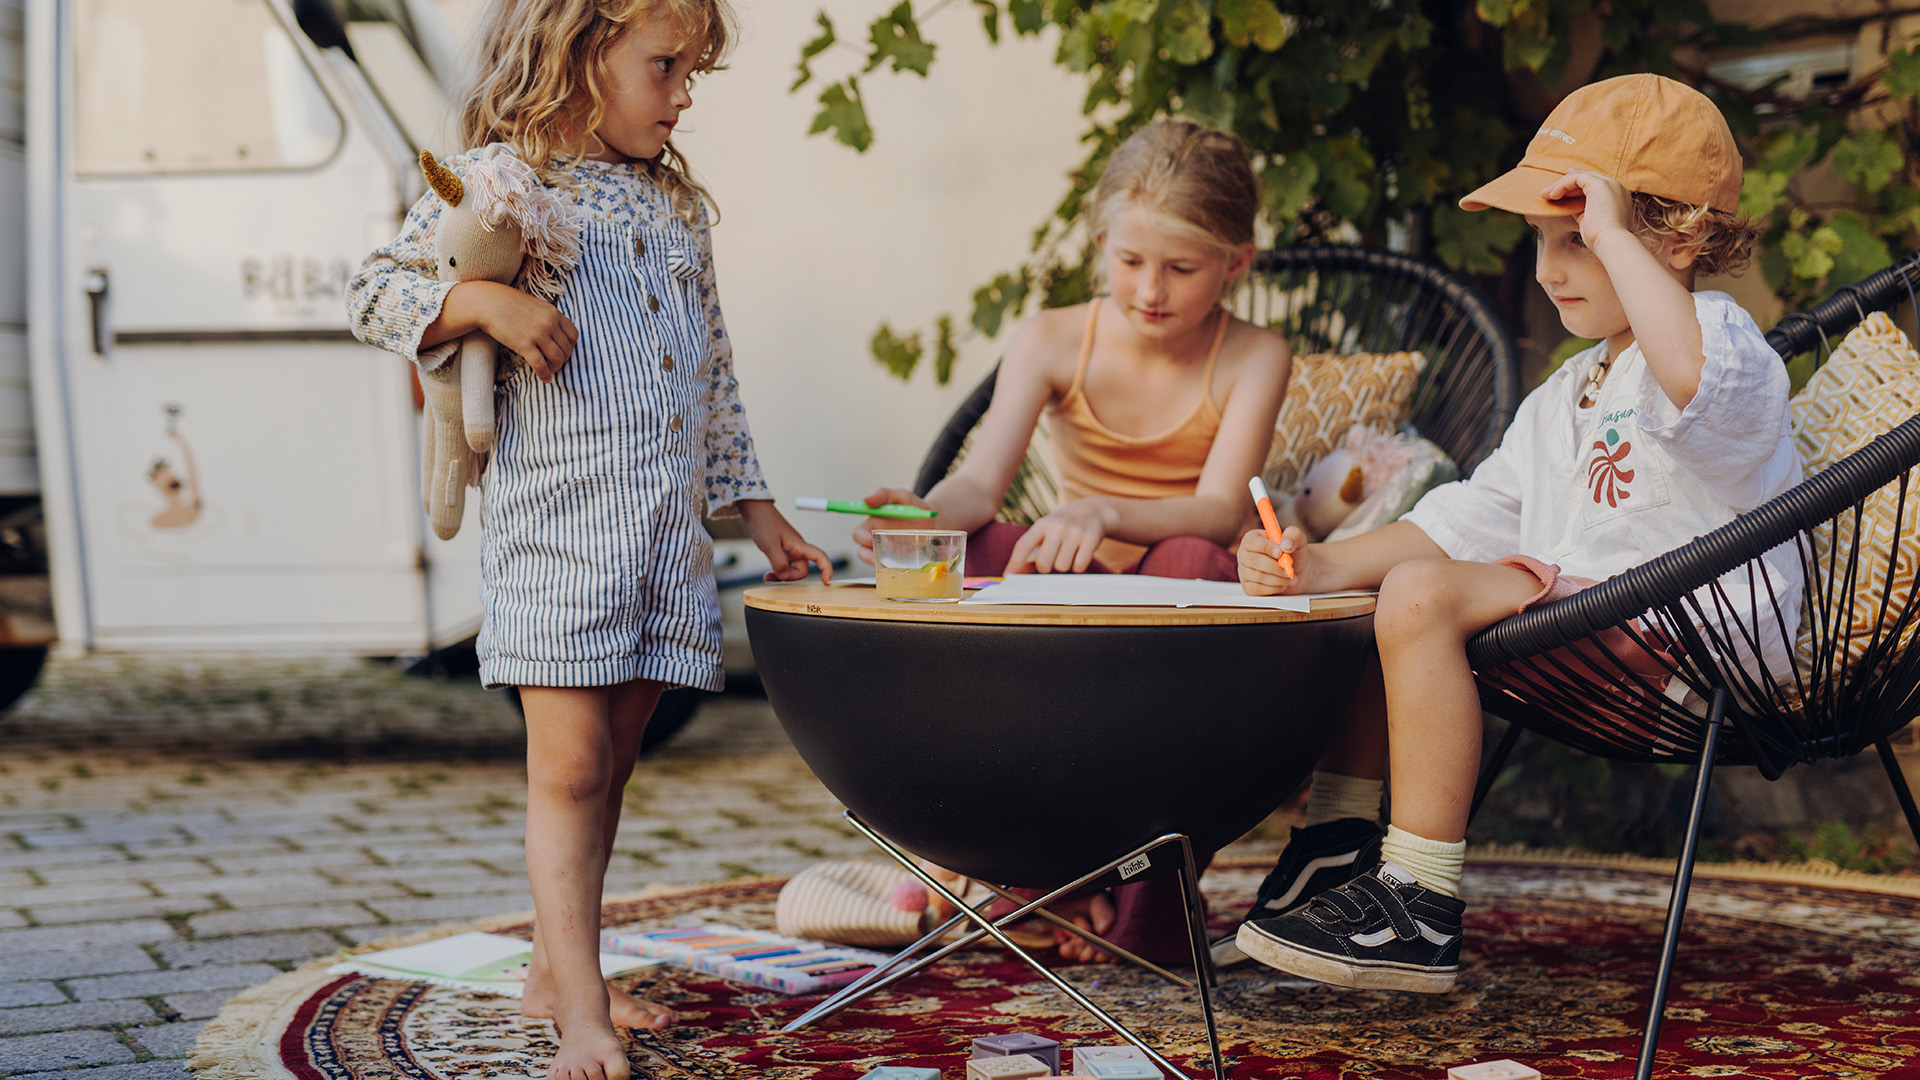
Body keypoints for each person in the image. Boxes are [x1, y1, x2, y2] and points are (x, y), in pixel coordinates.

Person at [1230, 73, 1802, 993]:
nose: (1549, 268)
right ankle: (1340, 844)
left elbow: (1695, 385)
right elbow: (1464, 519)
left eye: (1577, 237)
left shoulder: (1725, 344)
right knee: (1375, 588)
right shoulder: (1568, 392)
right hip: (1602, 622)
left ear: (1683, 236)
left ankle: (1419, 900)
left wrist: (1616, 232)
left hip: (1699, 641)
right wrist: (1317, 561)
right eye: (1544, 239)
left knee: (1420, 594)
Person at [346, 2, 831, 1077]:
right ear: (578, 53)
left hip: (663, 541)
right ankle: (581, 1017)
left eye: (693, 70)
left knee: (609, 763)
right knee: (565, 770)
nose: (685, 91)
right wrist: (482, 302)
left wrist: (756, 506)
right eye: (666, 65)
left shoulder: (672, 206)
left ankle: (559, 973)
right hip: (559, 535)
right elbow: (371, 289)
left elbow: (715, 373)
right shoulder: (506, 182)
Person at [855, 119, 1293, 965]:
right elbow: (980, 485)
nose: (1150, 290)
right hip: (1069, 598)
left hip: (1180, 604)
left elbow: (1217, 512)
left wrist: (1103, 512)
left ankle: (1151, 882)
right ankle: (1041, 868)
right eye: (1130, 262)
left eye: (1181, 268)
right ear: (1100, 243)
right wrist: (925, 515)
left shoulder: (1254, 355)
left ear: (1236, 262)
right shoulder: (1055, 337)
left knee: (1199, 568)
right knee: (977, 547)